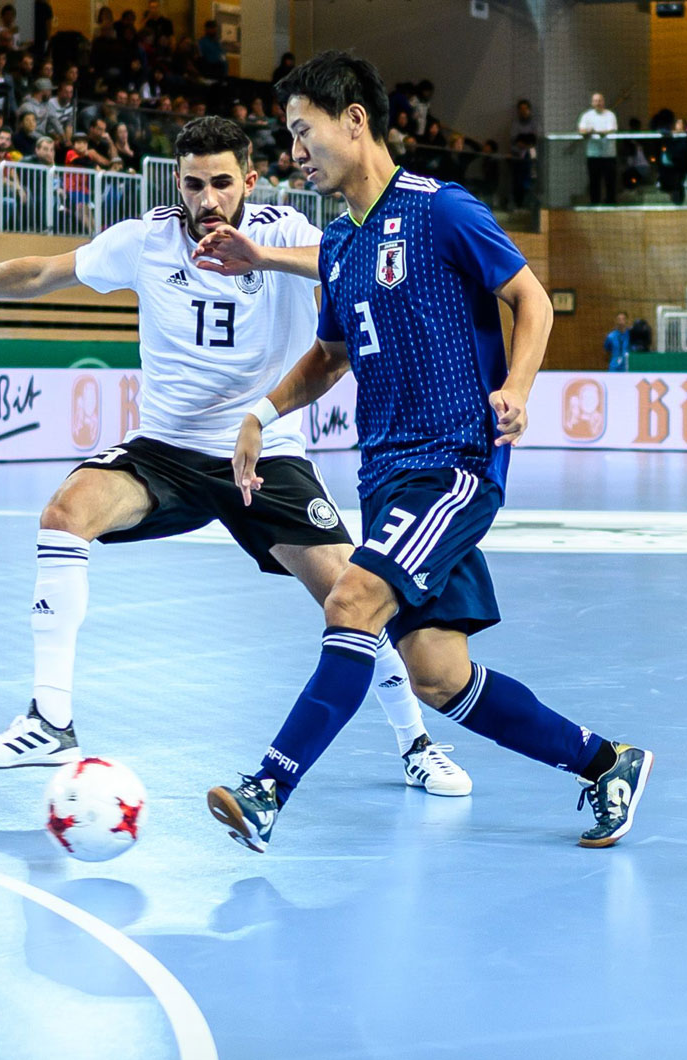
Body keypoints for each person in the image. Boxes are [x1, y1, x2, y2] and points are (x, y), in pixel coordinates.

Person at [0, 116, 469, 794]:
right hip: (164, 452)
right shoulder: (147, 240)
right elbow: (41, 273)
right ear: (177, 184)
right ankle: (51, 720)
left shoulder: (282, 233)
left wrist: (265, 257)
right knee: (65, 514)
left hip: (264, 454)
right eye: (194, 184)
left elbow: (351, 258)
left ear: (249, 179)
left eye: (222, 182)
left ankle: (416, 743)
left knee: (354, 595)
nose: (208, 198)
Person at [202, 51, 649, 852]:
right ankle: (608, 764)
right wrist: (258, 415)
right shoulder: (339, 246)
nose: (295, 153)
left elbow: (531, 297)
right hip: (387, 474)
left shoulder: (442, 210)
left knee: (351, 601)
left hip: (452, 464)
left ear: (356, 121)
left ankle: (267, 789)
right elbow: (330, 358)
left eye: (303, 133)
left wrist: (518, 386)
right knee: (439, 675)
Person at [577, 90, 618, 204]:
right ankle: (594, 203)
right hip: (593, 154)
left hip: (609, 154)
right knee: (594, 181)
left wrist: (596, 132)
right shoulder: (586, 115)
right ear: (592, 103)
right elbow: (582, 130)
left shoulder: (610, 115)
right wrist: (589, 131)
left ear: (603, 102)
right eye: (595, 101)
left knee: (610, 181)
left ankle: (611, 203)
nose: (598, 103)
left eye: (600, 100)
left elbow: (610, 130)